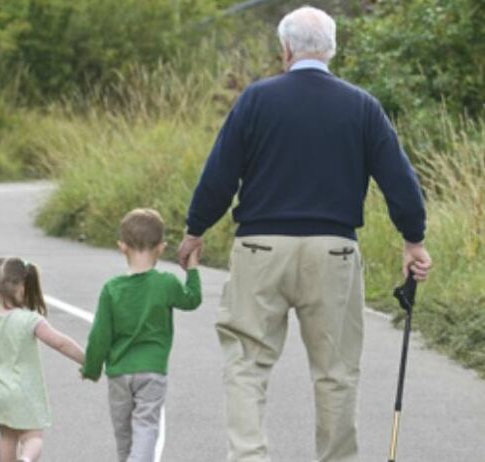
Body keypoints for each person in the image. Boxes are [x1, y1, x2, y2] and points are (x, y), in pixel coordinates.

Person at [177, 6, 432, 462]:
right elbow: (400, 182)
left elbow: (220, 175)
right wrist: (413, 240)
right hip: (333, 251)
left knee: (247, 363)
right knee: (335, 371)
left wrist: (195, 230)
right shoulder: (361, 105)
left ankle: (250, 457)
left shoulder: (256, 99)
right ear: (332, 49)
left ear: (286, 49)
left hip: (260, 247)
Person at [81, 208, 202, 462]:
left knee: (124, 436)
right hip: (152, 370)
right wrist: (192, 268)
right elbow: (192, 300)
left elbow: (100, 336)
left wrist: (91, 369)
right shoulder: (166, 283)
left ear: (121, 247)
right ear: (161, 247)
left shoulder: (111, 289)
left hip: (119, 373)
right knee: (146, 428)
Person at [0, 257, 85, 462]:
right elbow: (59, 343)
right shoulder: (29, 320)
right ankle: (27, 459)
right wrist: (87, 359)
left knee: (7, 436)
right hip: (24, 391)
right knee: (33, 436)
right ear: (22, 287)